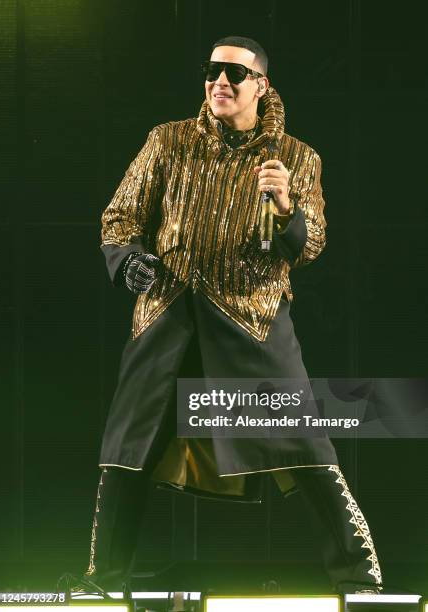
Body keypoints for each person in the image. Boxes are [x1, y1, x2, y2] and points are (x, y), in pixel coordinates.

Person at [79, 36, 383, 595]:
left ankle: (362, 578)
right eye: (212, 71)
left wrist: (286, 207)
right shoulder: (168, 142)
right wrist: (128, 263)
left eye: (235, 74)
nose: (220, 81)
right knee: (129, 447)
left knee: (304, 446)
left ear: (261, 86)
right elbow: (119, 217)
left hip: (251, 321)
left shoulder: (294, 157)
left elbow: (310, 242)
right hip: (167, 315)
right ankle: (102, 579)